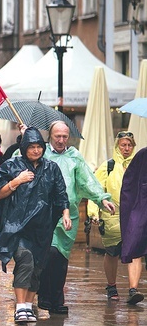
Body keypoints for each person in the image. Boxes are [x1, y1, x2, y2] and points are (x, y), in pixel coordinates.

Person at [0, 128, 70, 324]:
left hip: (43, 228)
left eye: (39, 146)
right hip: (17, 227)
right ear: (23, 148)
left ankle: (28, 306)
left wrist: (66, 214)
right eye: (31, 147)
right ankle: (20, 306)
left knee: (38, 267)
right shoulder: (11, 166)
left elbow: (60, 194)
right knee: (26, 260)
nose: (36, 150)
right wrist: (17, 181)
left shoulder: (51, 168)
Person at [38, 121, 116, 314]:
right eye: (58, 136)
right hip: (44, 215)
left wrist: (101, 198)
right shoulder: (42, 153)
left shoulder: (74, 156)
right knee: (49, 254)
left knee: (61, 258)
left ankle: (56, 300)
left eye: (65, 136)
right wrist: (26, 138)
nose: (62, 140)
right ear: (50, 136)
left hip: (68, 216)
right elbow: (20, 159)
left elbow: (87, 180)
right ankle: (45, 295)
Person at [87, 131, 138, 302]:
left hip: (134, 216)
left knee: (135, 251)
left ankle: (133, 289)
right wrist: (93, 211)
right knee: (112, 252)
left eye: (130, 145)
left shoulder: (138, 166)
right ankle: (111, 285)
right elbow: (96, 190)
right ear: (117, 146)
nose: (127, 148)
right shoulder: (107, 166)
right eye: (123, 145)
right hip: (112, 216)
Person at [119, 144, 147, 305]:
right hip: (140, 207)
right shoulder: (142, 155)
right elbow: (129, 184)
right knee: (134, 246)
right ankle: (133, 289)